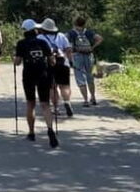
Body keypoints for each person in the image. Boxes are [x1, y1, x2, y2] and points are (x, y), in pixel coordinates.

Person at [15, 19, 59, 147]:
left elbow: (17, 62)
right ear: (35, 30)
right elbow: (52, 61)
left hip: (29, 75)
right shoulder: (43, 42)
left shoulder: (21, 44)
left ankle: (31, 132)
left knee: (31, 103)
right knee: (45, 104)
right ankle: (50, 130)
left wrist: (16, 59)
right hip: (43, 75)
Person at [38, 18, 74, 118]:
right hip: (63, 63)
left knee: (52, 87)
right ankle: (67, 102)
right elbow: (68, 49)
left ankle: (56, 108)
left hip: (49, 64)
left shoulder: (40, 37)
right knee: (65, 86)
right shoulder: (61, 36)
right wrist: (70, 61)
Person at [67, 16, 103, 107]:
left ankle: (85, 100)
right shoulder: (88, 32)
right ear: (84, 24)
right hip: (89, 55)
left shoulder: (71, 33)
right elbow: (100, 39)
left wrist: (70, 56)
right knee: (90, 77)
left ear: (74, 23)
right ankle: (93, 98)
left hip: (77, 55)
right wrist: (92, 47)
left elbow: (67, 44)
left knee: (80, 78)